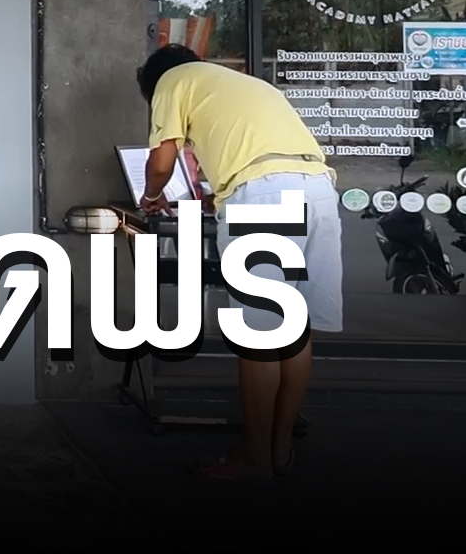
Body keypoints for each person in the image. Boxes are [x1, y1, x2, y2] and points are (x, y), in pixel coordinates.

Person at [136, 44, 343, 486]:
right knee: (294, 328)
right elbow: (259, 153)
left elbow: (162, 161)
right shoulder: (244, 85)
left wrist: (151, 197)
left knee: (258, 336)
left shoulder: (172, 80)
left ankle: (252, 458)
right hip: (319, 191)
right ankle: (279, 450)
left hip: (265, 197)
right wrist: (223, 194)